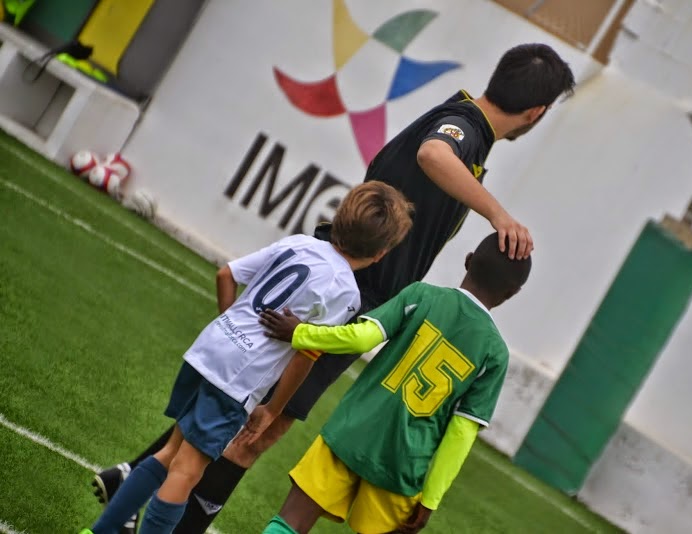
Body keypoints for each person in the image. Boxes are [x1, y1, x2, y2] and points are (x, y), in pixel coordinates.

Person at [90, 42, 576, 533]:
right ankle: (154, 508)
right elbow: (433, 154)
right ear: (536, 112)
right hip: (350, 292)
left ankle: (132, 480)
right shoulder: (464, 127)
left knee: (239, 408)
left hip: (344, 279)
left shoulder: (468, 128)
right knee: (257, 428)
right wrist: (498, 215)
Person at [82, 182, 413, 534]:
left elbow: (226, 274)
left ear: (338, 218)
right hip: (238, 377)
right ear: (381, 254)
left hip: (209, 350)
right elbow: (307, 353)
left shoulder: (298, 243)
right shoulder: (345, 292)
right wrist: (272, 409)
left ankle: (99, 531)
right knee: (187, 470)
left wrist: (228, 325)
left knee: (169, 453)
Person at [258, 232, 531, 534]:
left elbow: (362, 338)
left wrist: (300, 332)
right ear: (512, 293)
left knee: (291, 522)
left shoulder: (422, 295)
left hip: (352, 431)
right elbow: (461, 433)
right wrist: (431, 498)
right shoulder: (495, 353)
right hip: (404, 464)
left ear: (468, 261)